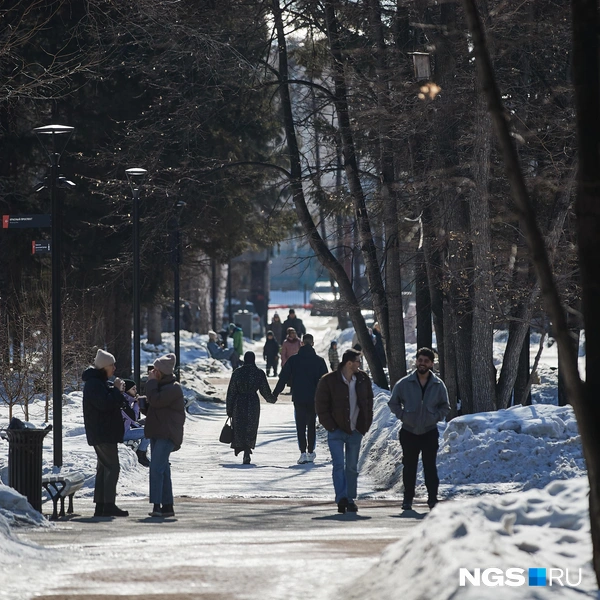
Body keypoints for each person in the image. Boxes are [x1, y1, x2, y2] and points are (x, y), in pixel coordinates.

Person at [387, 347, 450, 511]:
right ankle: (407, 499)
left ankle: (432, 499)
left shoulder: (438, 385)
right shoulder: (404, 383)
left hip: (429, 431)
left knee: (430, 467)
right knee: (409, 466)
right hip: (409, 431)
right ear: (416, 361)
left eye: (426, 361)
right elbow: (393, 402)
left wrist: (435, 417)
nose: (422, 364)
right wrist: (403, 415)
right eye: (420, 360)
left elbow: (445, 406)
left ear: (431, 364)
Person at [315, 348, 374, 514]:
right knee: (339, 465)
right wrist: (331, 426)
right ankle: (341, 498)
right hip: (336, 431)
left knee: (352, 467)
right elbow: (321, 405)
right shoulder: (329, 380)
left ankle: (350, 499)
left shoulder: (362, 379)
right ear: (349, 363)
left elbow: (369, 402)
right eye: (357, 361)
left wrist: (365, 424)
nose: (359, 364)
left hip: (356, 430)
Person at [82, 349, 128, 517]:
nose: (114, 368)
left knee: (104, 468)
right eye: (112, 365)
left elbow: (112, 402)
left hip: (103, 432)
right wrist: (115, 390)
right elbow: (105, 404)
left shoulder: (98, 382)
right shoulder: (94, 384)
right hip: (103, 433)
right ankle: (108, 505)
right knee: (112, 467)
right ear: (104, 367)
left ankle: (101, 506)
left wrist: (117, 391)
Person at [273, 334, 328, 464]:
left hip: (298, 397)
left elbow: (283, 377)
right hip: (314, 398)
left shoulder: (293, 360)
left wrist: (274, 394)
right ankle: (310, 452)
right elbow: (325, 381)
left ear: (302, 343)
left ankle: (303, 453)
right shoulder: (319, 361)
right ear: (313, 343)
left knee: (300, 426)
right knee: (311, 425)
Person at [145, 353, 186, 518]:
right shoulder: (161, 387)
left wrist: (151, 383)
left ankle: (157, 505)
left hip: (167, 434)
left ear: (161, 372)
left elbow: (156, 401)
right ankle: (167, 506)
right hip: (158, 432)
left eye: (155, 370)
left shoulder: (173, 388)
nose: (152, 372)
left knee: (156, 469)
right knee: (163, 470)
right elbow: (156, 406)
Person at [225, 351, 275, 464]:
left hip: (239, 402)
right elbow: (265, 390)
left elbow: (231, 392)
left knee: (240, 426)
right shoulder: (258, 373)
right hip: (253, 402)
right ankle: (247, 449)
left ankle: (241, 447)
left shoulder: (237, 373)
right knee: (251, 427)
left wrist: (229, 409)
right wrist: (272, 398)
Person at [120, 379, 151, 467]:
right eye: (133, 389)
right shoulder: (123, 402)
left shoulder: (128, 401)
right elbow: (133, 417)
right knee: (149, 432)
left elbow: (131, 421)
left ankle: (143, 454)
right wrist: (137, 404)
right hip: (121, 434)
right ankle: (141, 455)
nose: (136, 391)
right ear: (127, 390)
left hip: (125, 431)